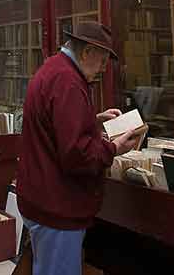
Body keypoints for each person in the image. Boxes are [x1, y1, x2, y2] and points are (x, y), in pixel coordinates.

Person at [16, 21, 142, 275]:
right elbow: (77, 155)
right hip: (57, 207)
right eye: (103, 60)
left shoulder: (53, 69)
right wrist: (114, 148)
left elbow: (52, 125)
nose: (104, 68)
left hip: (40, 198)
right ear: (86, 52)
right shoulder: (69, 83)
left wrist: (92, 120)